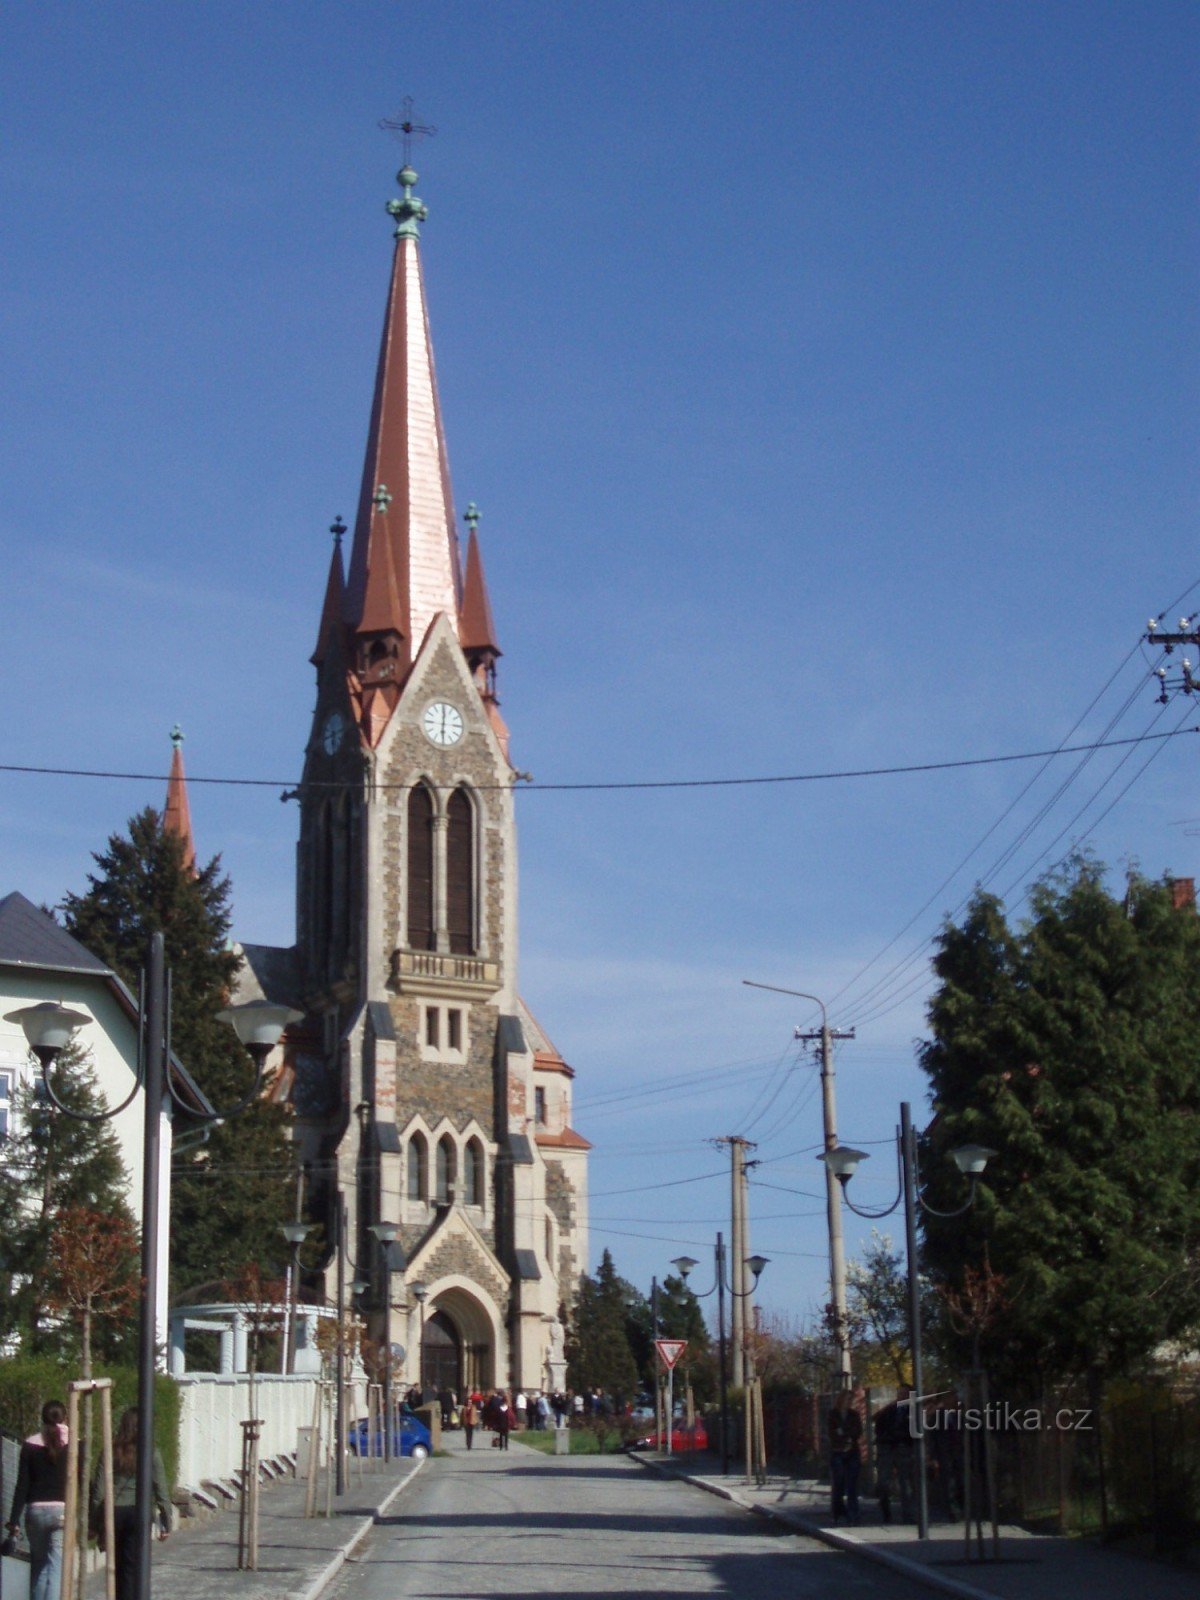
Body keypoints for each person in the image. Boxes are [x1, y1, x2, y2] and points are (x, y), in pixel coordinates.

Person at [89, 1407, 171, 1600]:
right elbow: (160, 1489)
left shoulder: (110, 1451)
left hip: (114, 1513)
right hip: (139, 1513)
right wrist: (165, 1520)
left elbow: (98, 1492)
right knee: (133, 1567)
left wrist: (93, 1523)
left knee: (116, 1566)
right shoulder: (151, 1452)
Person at [6, 1399, 68, 1600]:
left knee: (39, 1565)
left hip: (35, 1512)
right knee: (56, 1567)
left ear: (42, 1419)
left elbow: (22, 1485)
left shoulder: (30, 1444)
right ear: (64, 1418)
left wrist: (14, 1520)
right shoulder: (71, 1445)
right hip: (61, 1512)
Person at [827, 1388, 863, 1525]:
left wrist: (844, 1432)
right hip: (838, 1452)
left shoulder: (854, 1415)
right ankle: (838, 1512)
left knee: (852, 1484)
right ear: (841, 1399)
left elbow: (858, 1431)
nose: (849, 1402)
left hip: (852, 1452)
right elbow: (832, 1433)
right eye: (847, 1399)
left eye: (851, 1400)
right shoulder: (833, 1414)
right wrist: (845, 1433)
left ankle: (853, 1514)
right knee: (839, 1483)